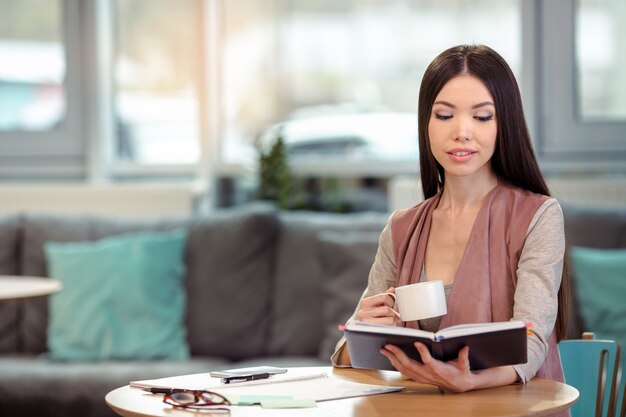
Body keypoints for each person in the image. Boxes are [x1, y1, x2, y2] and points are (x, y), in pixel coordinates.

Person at [332, 44, 568, 395]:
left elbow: (532, 338)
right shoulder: (402, 228)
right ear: (426, 123)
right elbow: (346, 357)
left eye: (482, 116)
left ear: (504, 123)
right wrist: (362, 328)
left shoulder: (538, 216)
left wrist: (472, 381)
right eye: (444, 116)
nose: (462, 132)